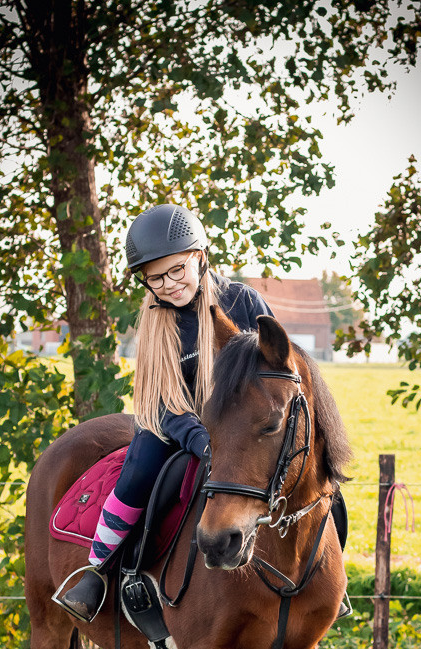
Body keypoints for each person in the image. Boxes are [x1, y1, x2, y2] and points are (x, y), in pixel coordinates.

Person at [58, 203, 274, 622]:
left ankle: (326, 572)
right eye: (155, 278)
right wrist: (198, 439)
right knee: (138, 470)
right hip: (173, 423)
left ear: (199, 256)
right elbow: (161, 401)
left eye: (177, 270)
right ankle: (98, 570)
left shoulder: (242, 302)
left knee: (306, 467)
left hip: (236, 424)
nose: (170, 284)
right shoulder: (157, 324)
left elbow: (275, 366)